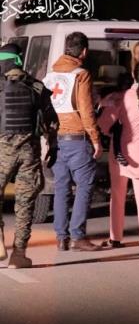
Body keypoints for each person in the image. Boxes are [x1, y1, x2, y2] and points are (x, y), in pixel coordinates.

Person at [44, 32, 102, 252]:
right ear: (84, 51)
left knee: (61, 189)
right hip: (78, 140)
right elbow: (87, 111)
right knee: (85, 187)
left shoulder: (50, 75)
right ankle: (78, 236)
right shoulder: (81, 75)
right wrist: (96, 139)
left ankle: (61, 238)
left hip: (57, 140)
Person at [0, 44, 57, 268]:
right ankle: (19, 254)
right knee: (25, 203)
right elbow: (51, 122)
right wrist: (52, 146)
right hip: (29, 152)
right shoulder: (36, 86)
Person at [98, 61, 139, 250]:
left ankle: (115, 238)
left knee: (117, 195)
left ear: (134, 75)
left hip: (121, 152)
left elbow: (104, 124)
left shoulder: (122, 97)